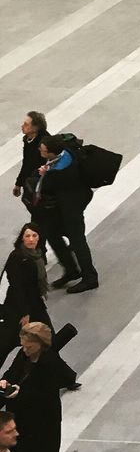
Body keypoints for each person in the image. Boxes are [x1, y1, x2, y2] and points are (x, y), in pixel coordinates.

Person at [1, 323, 73, 452]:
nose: (24, 349)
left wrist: (22, 392)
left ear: (40, 344)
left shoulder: (50, 362)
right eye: (23, 345)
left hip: (44, 418)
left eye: (29, 346)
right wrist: (5, 381)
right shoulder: (22, 356)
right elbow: (11, 372)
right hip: (21, 415)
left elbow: (50, 389)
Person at [36, 134, 98, 293]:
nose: (40, 152)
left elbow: (46, 188)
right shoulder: (67, 153)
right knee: (52, 233)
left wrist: (44, 174)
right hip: (74, 201)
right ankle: (71, 270)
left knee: (78, 242)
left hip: (71, 209)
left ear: (51, 153)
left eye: (43, 151)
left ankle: (90, 278)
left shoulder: (58, 172)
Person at [0, 224, 53, 366]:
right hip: (17, 308)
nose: (31, 239)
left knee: (47, 338)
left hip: (35, 305)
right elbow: (16, 287)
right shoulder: (17, 257)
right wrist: (25, 313)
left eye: (34, 236)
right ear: (22, 238)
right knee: (5, 345)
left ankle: (65, 377)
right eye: (27, 236)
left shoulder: (37, 255)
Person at [12, 112, 47, 218]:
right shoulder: (28, 139)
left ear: (36, 128)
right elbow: (26, 163)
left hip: (41, 186)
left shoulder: (44, 144)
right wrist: (19, 183)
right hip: (31, 182)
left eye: (26, 124)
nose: (22, 126)